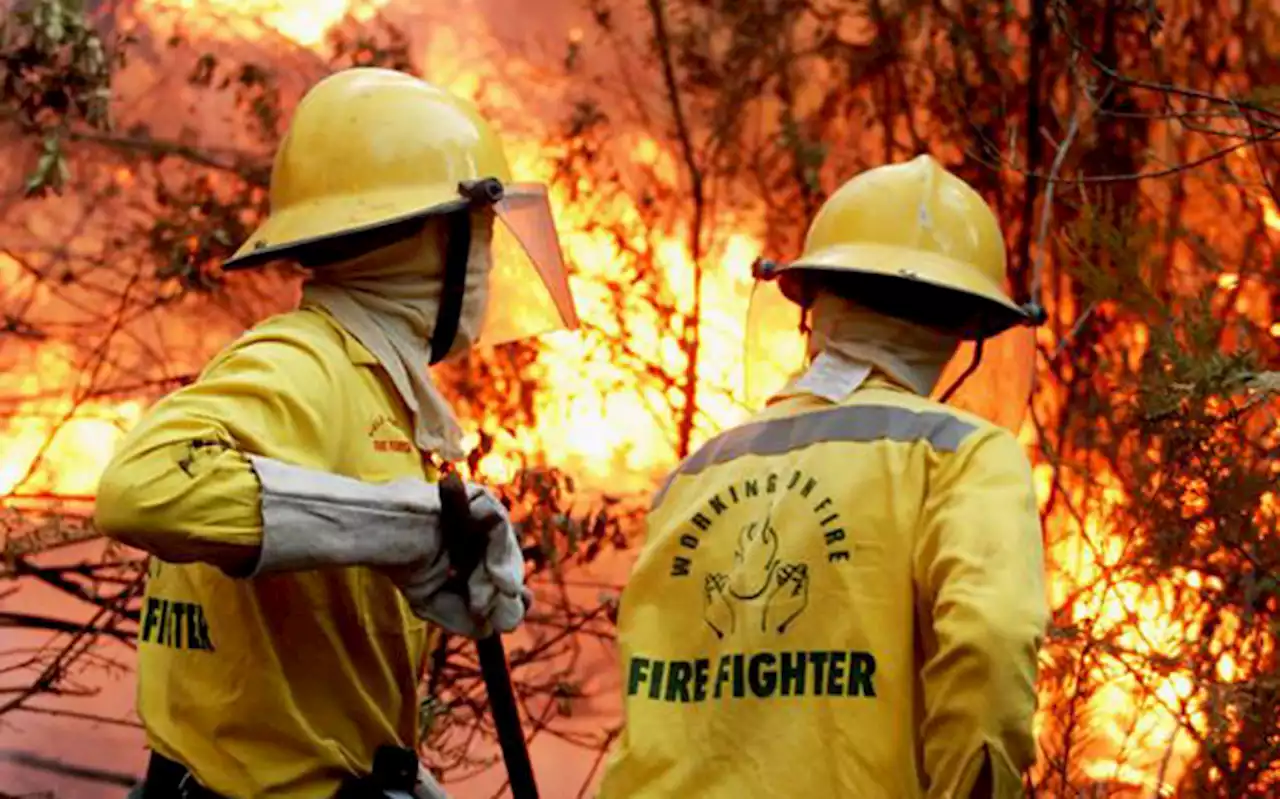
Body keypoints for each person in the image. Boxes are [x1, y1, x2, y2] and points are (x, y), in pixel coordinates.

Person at [93, 67, 579, 798]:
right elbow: (138, 489)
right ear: (424, 241)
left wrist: (395, 772)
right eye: (478, 235)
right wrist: (406, 527)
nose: (487, 264)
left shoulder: (368, 383)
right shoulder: (304, 363)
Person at [597, 154, 1050, 798]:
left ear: (813, 303)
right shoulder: (964, 456)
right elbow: (991, 641)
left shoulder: (698, 473)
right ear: (963, 330)